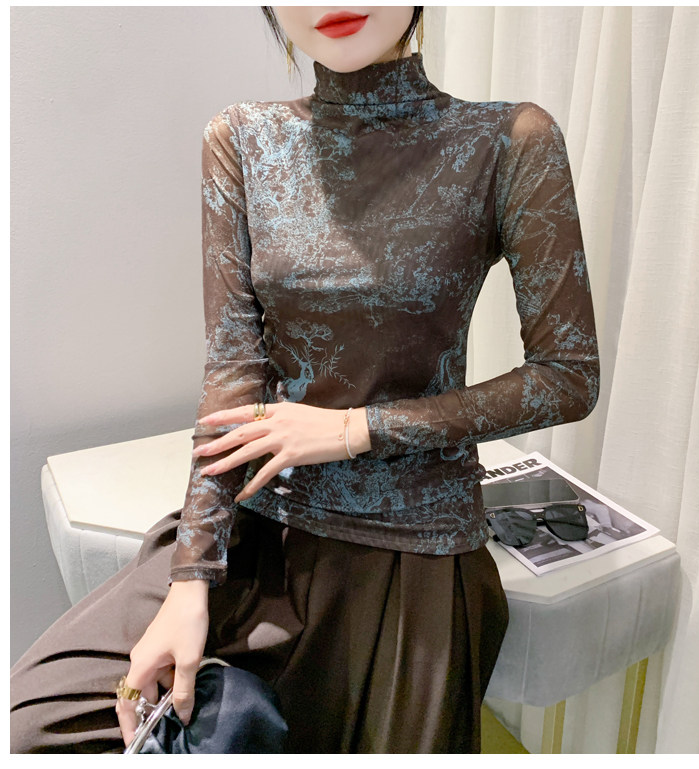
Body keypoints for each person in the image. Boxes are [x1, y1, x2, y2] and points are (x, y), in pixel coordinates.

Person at [10, 5, 599, 754]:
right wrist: (192, 577)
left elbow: (567, 376)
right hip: (261, 528)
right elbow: (233, 373)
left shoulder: (508, 140)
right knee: (32, 725)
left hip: (414, 549)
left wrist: (356, 429)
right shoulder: (241, 140)